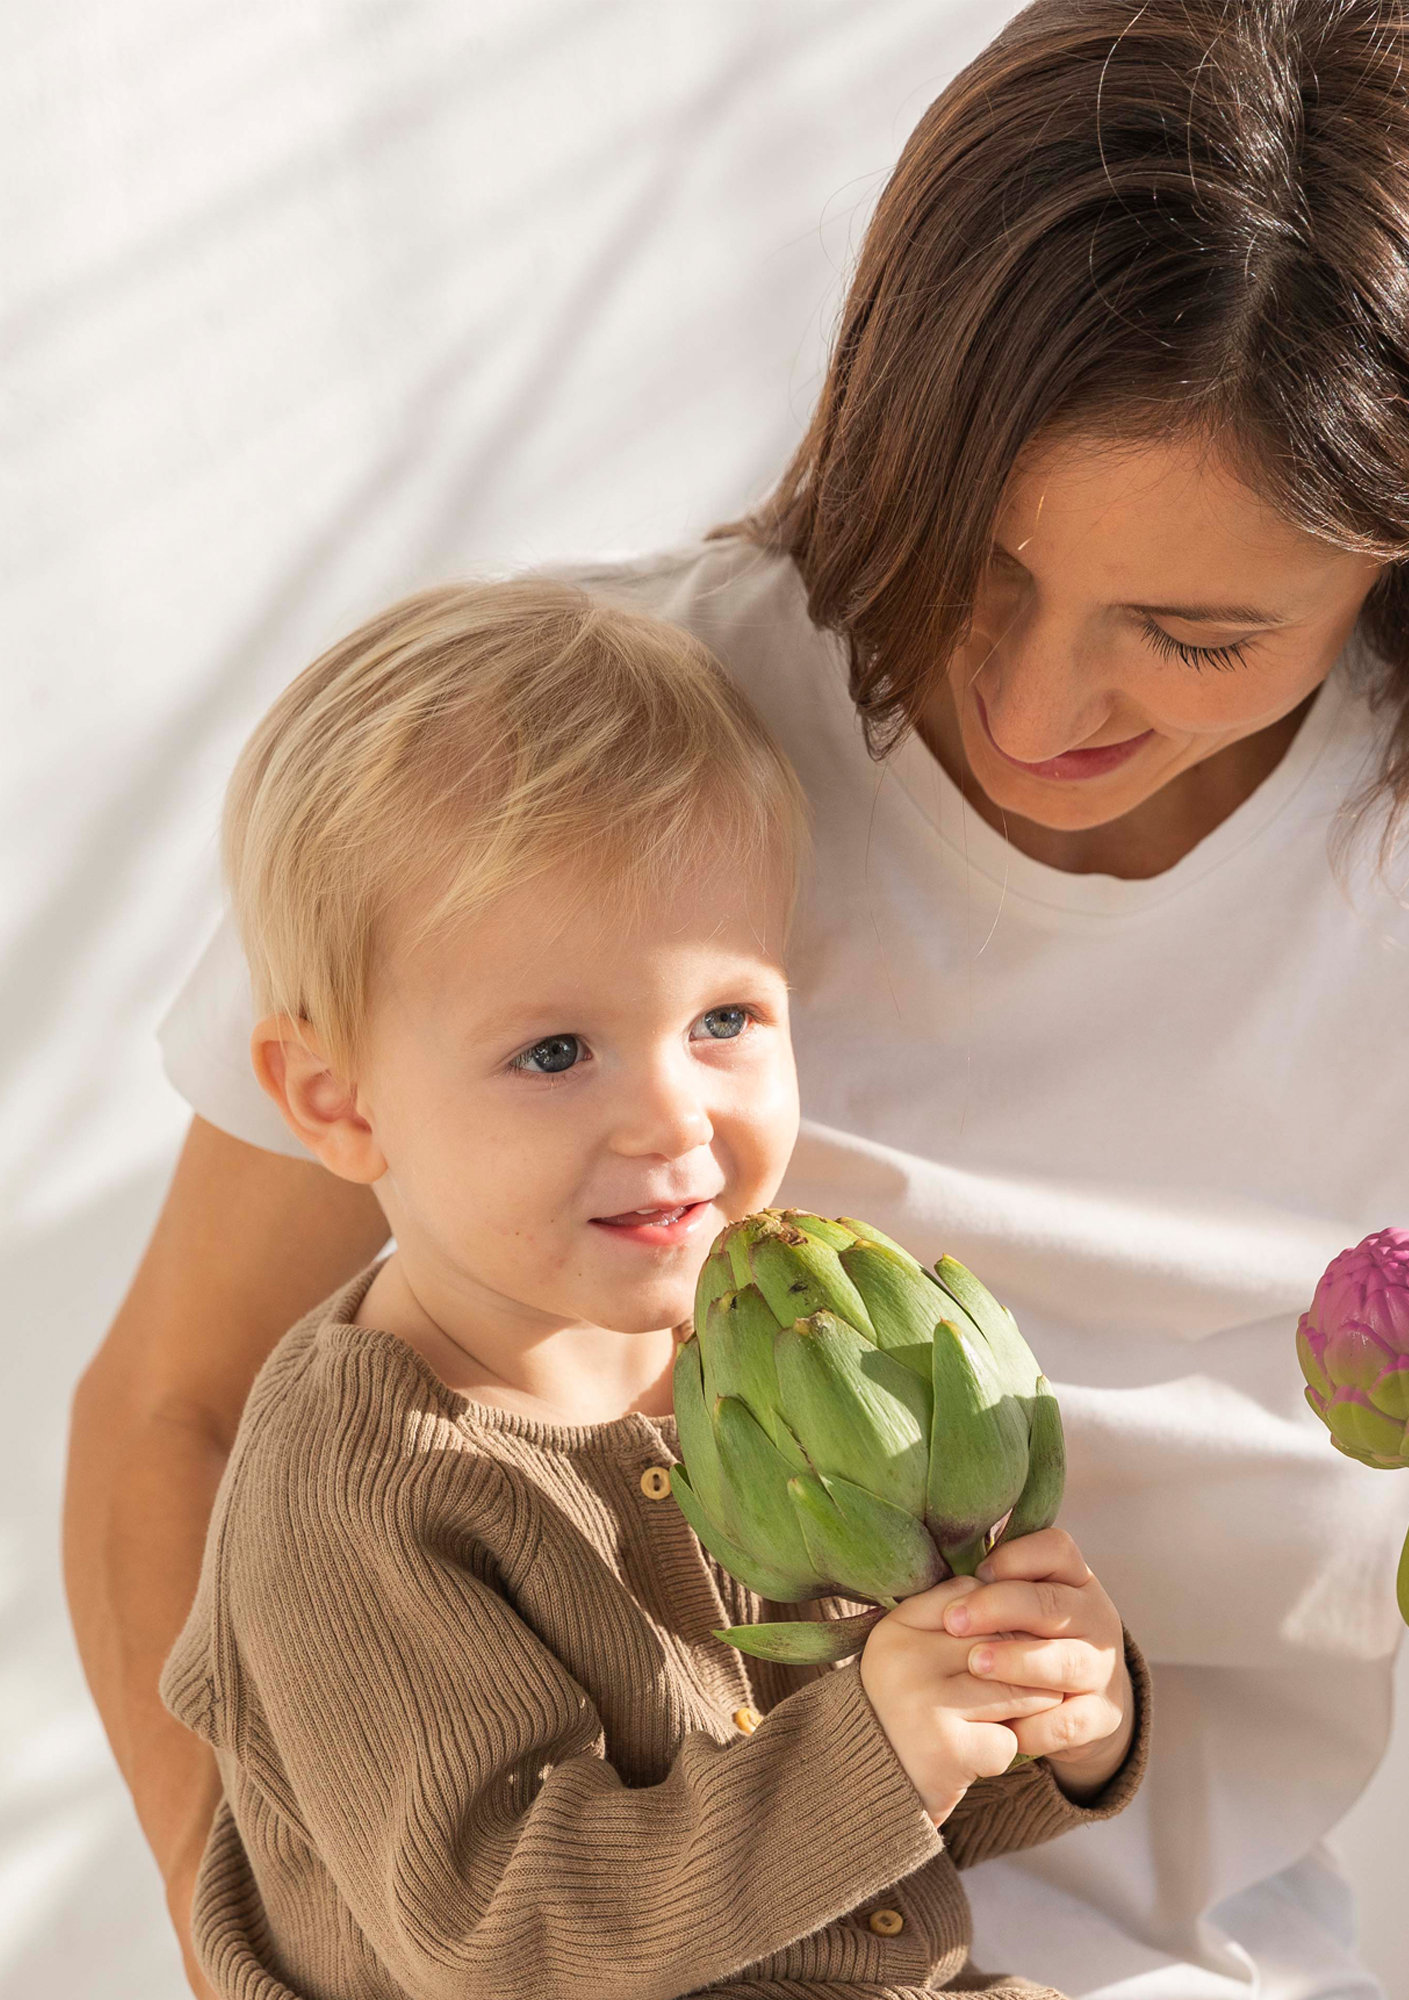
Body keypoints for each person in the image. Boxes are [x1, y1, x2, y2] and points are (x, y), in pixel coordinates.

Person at [64, 3, 1409, 1997]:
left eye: (1195, 634)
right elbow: (178, 1412)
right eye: (973, 561)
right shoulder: (574, 768)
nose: (1029, 703)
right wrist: (263, 1956)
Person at [162, 576, 1146, 2000]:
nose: (674, 1118)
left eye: (726, 1019)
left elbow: (867, 1841)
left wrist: (1049, 1712)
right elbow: (507, 1935)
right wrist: (876, 1744)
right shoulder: (357, 1483)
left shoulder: (765, 1368)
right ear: (339, 1099)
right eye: (557, 1052)